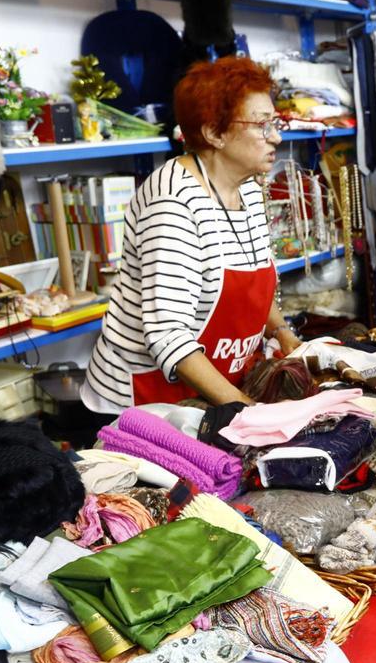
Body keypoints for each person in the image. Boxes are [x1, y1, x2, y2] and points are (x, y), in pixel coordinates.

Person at [82, 57, 300, 413]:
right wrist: (249, 413)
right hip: (146, 401)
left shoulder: (247, 189)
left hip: (212, 390)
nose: (275, 136)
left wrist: (281, 332)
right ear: (214, 132)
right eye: (262, 125)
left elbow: (255, 283)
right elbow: (168, 336)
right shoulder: (173, 203)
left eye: (274, 122)